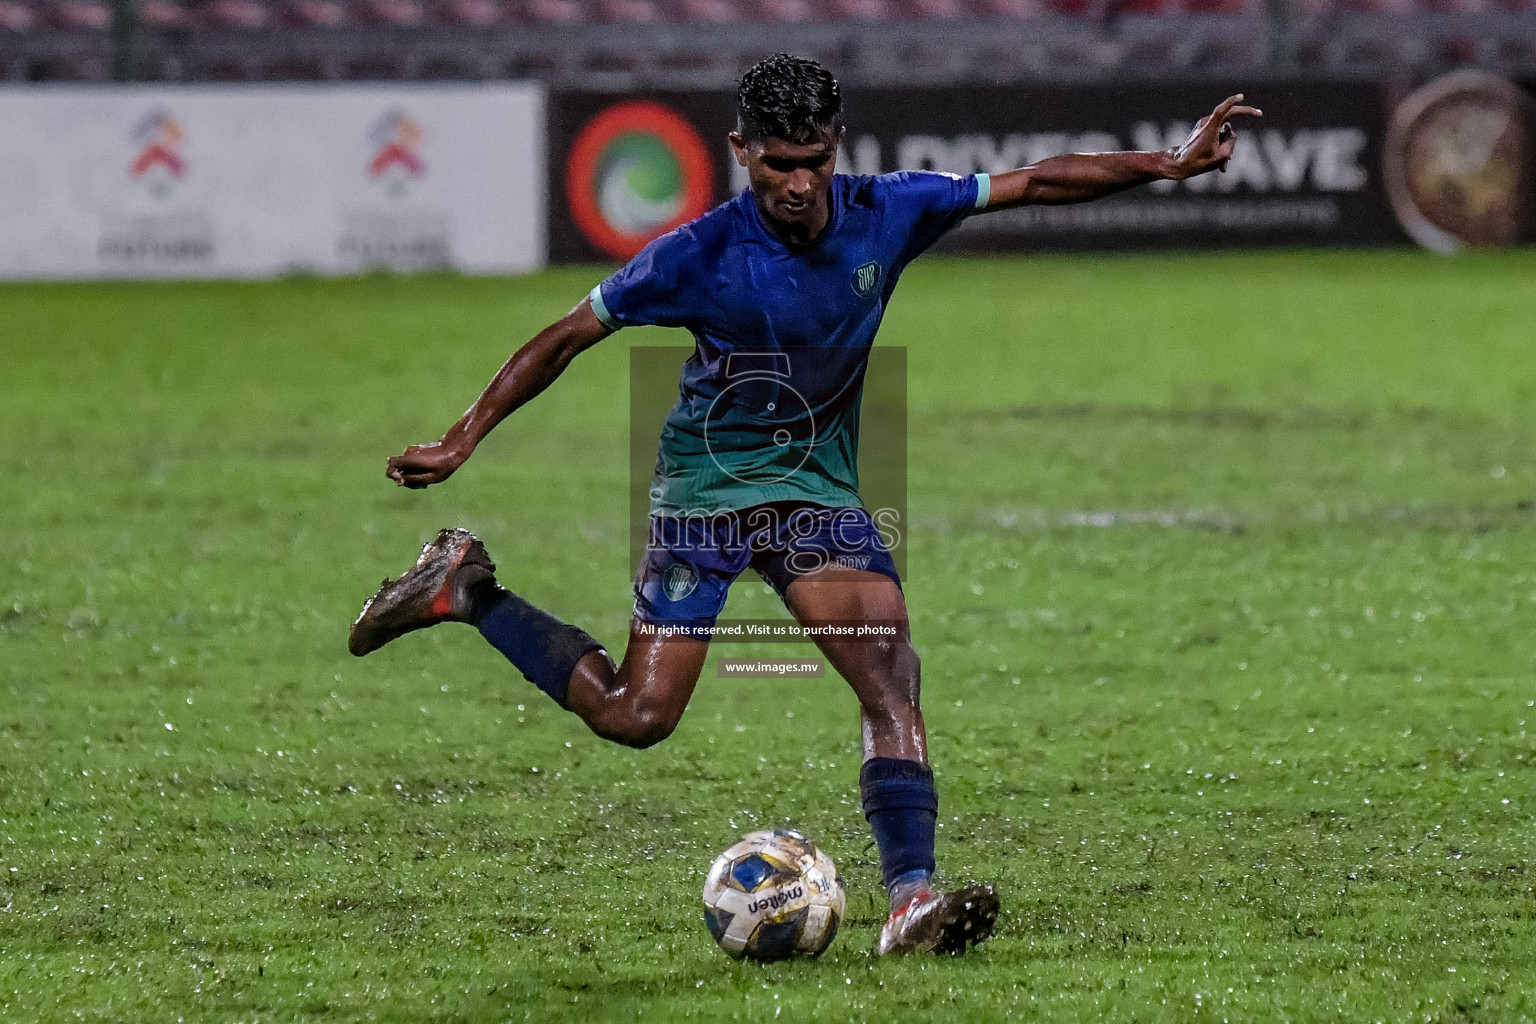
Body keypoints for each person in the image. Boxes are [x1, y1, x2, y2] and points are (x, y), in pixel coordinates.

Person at [349, 53, 1260, 956]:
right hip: (705, 489)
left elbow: (1033, 183)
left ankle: (910, 900)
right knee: (637, 715)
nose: (799, 182)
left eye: (814, 159)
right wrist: (466, 433)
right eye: (778, 163)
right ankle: (466, 590)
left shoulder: (888, 210)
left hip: (813, 493)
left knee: (888, 673)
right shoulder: (698, 253)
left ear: (838, 145)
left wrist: (1167, 165)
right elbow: (566, 335)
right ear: (741, 150)